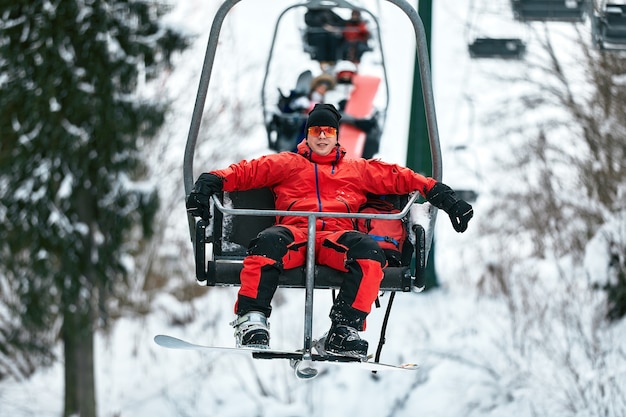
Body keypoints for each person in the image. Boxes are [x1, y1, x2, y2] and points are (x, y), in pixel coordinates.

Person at [186, 104, 473, 359]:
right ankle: (252, 320)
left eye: (328, 131)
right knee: (267, 243)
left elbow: (401, 178)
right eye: (316, 130)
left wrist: (444, 197)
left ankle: (344, 328)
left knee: (369, 253)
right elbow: (246, 172)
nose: (322, 136)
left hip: (337, 239)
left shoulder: (357, 169)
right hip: (295, 234)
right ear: (308, 134)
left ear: (336, 136)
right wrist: (208, 183)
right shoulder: (288, 163)